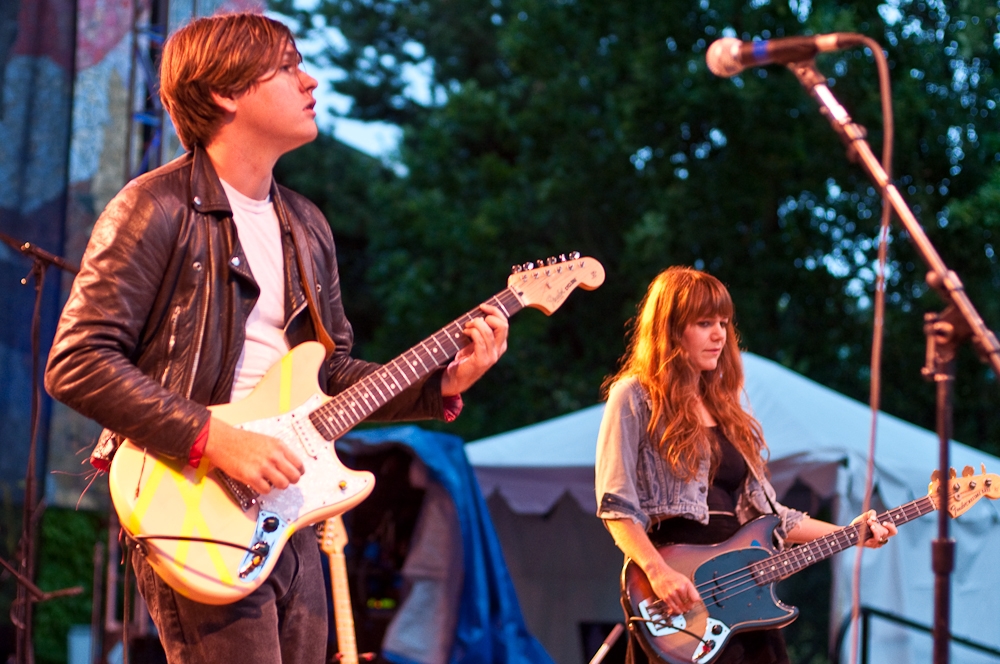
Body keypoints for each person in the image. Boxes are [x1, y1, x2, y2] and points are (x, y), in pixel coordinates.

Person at [44, 12, 508, 663]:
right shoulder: (155, 206)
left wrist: (441, 384)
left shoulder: (307, 226)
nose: (310, 80)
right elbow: (77, 362)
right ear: (224, 93)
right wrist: (217, 440)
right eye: (288, 67)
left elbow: (333, 373)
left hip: (287, 501)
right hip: (194, 495)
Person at [595, 266, 896, 664]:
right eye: (704, 323)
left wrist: (850, 533)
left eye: (723, 322)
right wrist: (657, 571)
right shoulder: (633, 396)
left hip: (745, 589)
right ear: (670, 329)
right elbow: (616, 506)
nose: (720, 334)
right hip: (678, 585)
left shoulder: (726, 408)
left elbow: (773, 516)